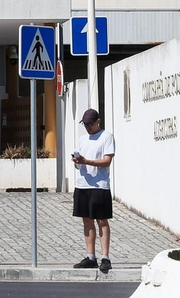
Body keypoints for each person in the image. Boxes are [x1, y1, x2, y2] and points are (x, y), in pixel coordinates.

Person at [71, 108, 116, 274]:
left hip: (99, 185)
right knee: (87, 220)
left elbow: (106, 161)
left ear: (98, 121)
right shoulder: (82, 139)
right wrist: (77, 161)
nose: (88, 127)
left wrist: (87, 161)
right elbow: (79, 163)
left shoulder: (106, 137)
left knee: (102, 220)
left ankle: (106, 257)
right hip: (83, 184)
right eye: (85, 125)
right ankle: (90, 257)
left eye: (90, 124)